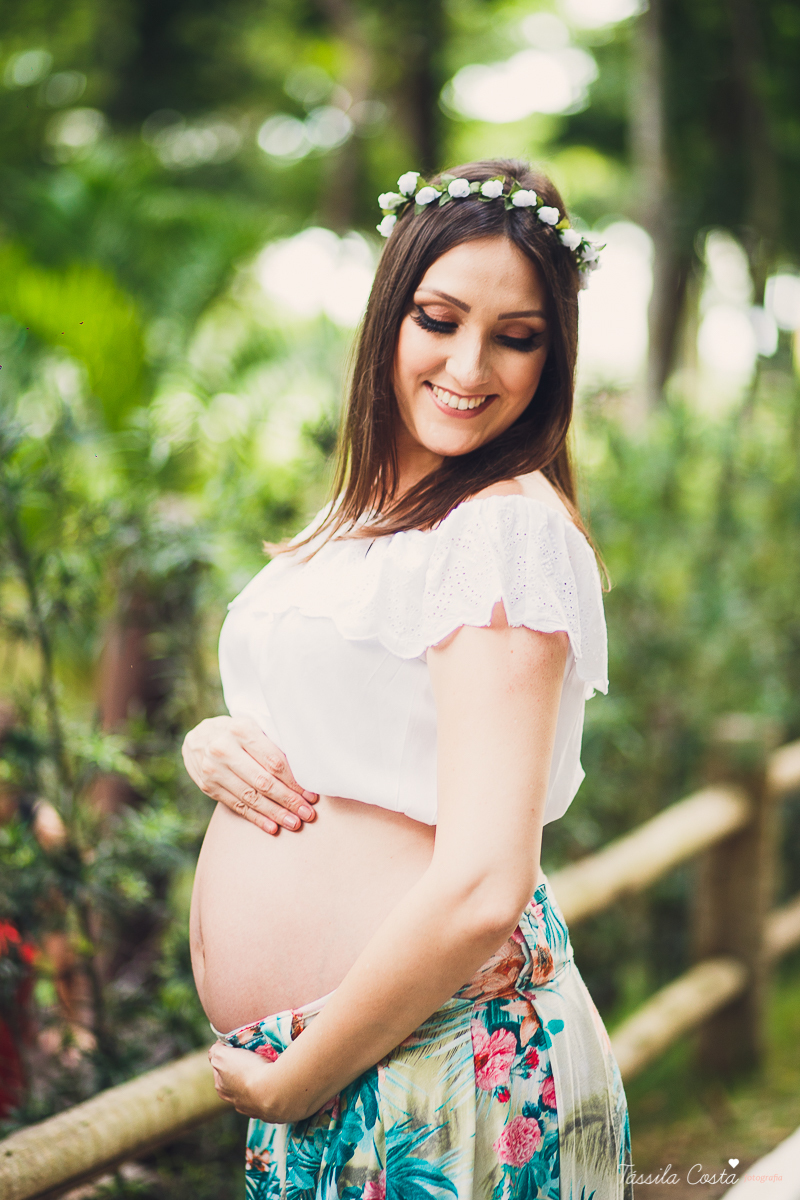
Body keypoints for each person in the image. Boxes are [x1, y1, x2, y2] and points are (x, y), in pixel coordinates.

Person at [182, 158, 632, 1200]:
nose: (469, 366)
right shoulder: (368, 519)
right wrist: (215, 741)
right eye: (437, 318)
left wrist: (303, 1076)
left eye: (515, 337)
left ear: (550, 358)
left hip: (433, 1063)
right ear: (388, 314)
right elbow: (360, 720)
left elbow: (482, 885)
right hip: (361, 1062)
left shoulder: (504, 528)